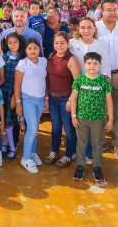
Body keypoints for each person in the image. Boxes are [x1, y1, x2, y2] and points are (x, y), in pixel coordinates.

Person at [95, 0, 118, 159]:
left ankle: (116, 143)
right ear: (101, 11)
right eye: (108, 9)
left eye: (115, 9)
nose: (112, 12)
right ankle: (101, 142)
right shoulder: (95, 28)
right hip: (100, 75)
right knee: (100, 110)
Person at [70, 51, 113, 185]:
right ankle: (80, 166)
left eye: (95, 63)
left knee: (97, 144)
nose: (92, 66)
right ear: (84, 64)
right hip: (81, 118)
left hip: (98, 119)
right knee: (81, 143)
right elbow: (74, 98)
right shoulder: (79, 80)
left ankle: (97, 167)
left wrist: (110, 119)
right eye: (89, 63)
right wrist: (73, 116)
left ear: (100, 65)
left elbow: (109, 101)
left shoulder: (104, 81)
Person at [45, 31, 80, 168]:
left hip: (66, 98)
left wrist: (71, 100)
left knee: (69, 129)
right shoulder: (51, 57)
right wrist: (47, 97)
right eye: (56, 43)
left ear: (68, 44)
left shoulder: (72, 60)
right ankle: (55, 151)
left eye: (62, 42)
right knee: (55, 127)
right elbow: (48, 78)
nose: (59, 45)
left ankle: (69, 154)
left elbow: (77, 83)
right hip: (53, 98)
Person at [14, 39, 47, 171]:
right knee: (32, 129)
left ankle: (32, 153)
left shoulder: (44, 61)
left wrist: (46, 97)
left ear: (39, 49)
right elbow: (17, 85)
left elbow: (45, 79)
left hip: (40, 99)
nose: (33, 51)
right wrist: (18, 104)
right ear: (25, 50)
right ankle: (26, 158)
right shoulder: (23, 64)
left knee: (35, 129)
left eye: (35, 48)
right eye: (30, 48)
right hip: (27, 99)